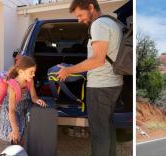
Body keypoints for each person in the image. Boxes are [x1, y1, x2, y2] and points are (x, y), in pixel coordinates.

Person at [57, 0, 123, 155]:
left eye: (80, 14)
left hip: (101, 87)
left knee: (99, 133)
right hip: (112, 84)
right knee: (107, 128)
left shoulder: (98, 25)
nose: (79, 19)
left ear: (91, 8)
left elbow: (97, 59)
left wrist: (69, 71)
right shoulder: (112, 23)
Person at [0, 56, 46, 155]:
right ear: (21, 71)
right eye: (31, 72)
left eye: (34, 72)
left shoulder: (29, 80)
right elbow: (11, 111)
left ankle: (18, 150)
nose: (34, 74)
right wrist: (14, 128)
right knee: (11, 136)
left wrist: (37, 100)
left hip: (21, 109)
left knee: (20, 136)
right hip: (10, 112)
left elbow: (33, 96)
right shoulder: (12, 86)